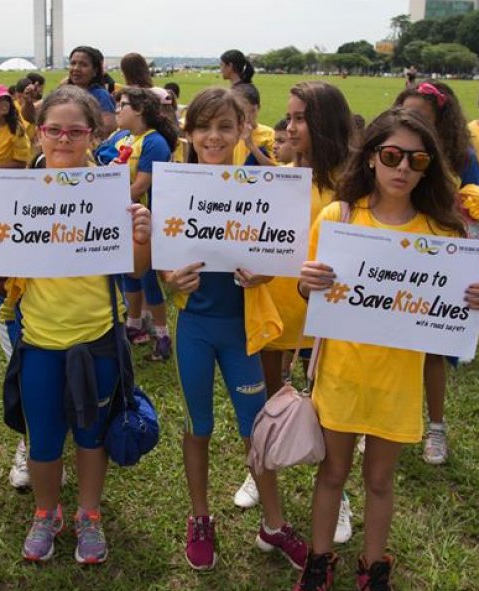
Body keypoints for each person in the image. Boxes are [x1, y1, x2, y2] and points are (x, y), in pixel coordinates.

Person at [293, 107, 479, 591]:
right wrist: (308, 284)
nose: (403, 168)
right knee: (333, 473)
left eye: (417, 159)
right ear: (370, 159)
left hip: (399, 380)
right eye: (391, 156)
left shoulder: (443, 233)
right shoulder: (339, 217)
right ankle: (319, 560)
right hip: (342, 373)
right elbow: (312, 292)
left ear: (429, 166)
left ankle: (374, 567)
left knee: (381, 480)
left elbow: (456, 305)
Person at [0, 85, 151, 565]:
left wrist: (141, 236)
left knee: (91, 437)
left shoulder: (108, 189)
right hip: (39, 340)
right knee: (44, 438)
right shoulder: (17, 194)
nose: (64, 138)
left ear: (94, 134)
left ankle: (89, 514)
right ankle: (46, 513)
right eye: (54, 129)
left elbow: (133, 271)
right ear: (39, 131)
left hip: (98, 339)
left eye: (76, 130)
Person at [165, 88, 306, 572]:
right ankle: (200, 518)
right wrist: (169, 279)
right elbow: (163, 266)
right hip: (196, 328)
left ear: (244, 128)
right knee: (197, 426)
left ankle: (274, 523)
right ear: (189, 132)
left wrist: (266, 271)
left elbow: (280, 251)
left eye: (225, 126)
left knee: (257, 429)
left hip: (242, 328)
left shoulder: (262, 185)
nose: (214, 136)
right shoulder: (176, 185)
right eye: (203, 126)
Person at [234, 82, 356, 548]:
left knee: (329, 418)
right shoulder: (279, 178)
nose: (288, 126)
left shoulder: (350, 187)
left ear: (324, 123)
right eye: (288, 117)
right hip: (273, 313)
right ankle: (262, 476)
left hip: (327, 323)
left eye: (299, 117)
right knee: (267, 406)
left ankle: (337, 493)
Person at [395, 80, 479, 465]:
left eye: (420, 116)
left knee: (432, 350)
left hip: (439, 264)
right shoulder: (389, 152)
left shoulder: (461, 158)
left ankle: (435, 427)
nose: (411, 122)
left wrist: (477, 269)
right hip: (393, 259)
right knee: (391, 345)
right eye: (405, 113)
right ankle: (381, 424)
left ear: (441, 120)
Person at [107, 87, 177, 361]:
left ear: (140, 110)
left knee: (149, 279)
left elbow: (139, 187)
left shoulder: (154, 142)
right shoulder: (125, 139)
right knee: (129, 275)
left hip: (149, 221)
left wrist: (104, 196)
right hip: (126, 218)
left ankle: (162, 335)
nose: (117, 111)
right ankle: (135, 326)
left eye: (122, 105)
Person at [66, 46, 117, 136]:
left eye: (83, 65)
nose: (76, 68)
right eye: (73, 63)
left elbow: (109, 128)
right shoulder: (64, 93)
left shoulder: (100, 95)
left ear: (95, 71)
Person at [231, 84, 276, 166]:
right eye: (241, 112)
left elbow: (275, 170)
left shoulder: (269, 134)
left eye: (251, 111)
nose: (247, 117)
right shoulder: (229, 133)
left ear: (258, 108)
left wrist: (251, 145)